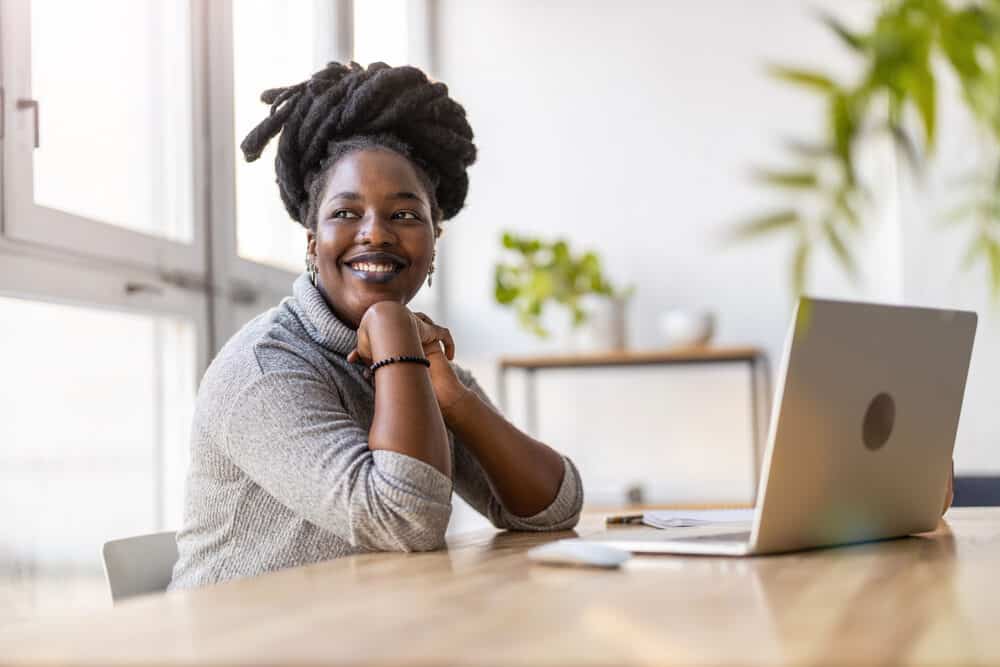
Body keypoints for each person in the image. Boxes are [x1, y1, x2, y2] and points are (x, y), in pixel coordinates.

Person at [169, 62, 583, 590]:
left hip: (355, 630)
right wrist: (389, 324)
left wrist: (456, 401)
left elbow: (554, 509)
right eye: (346, 213)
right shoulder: (264, 369)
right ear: (313, 242)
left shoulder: (417, 355)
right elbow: (404, 521)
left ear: (434, 242)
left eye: (406, 216)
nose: (376, 233)